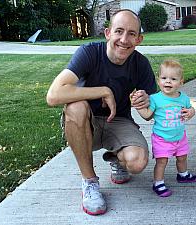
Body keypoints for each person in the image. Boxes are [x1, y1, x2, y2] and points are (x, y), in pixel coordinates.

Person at [46, 9, 158, 215]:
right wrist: (103, 91)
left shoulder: (141, 64)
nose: (124, 40)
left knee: (138, 162)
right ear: (107, 33)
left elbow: (149, 114)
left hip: (119, 121)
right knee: (76, 106)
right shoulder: (89, 53)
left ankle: (117, 157)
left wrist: (146, 103)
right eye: (119, 31)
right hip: (86, 122)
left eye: (132, 34)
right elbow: (53, 95)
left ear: (139, 39)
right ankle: (90, 182)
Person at [131, 59, 196, 197]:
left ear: (181, 82)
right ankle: (158, 183)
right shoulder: (155, 99)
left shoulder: (184, 98)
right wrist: (137, 106)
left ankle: (183, 174)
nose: (168, 82)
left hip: (180, 137)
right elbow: (147, 114)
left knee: (182, 158)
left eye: (173, 79)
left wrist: (191, 112)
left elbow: (190, 109)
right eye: (164, 78)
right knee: (162, 162)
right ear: (158, 80)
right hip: (162, 138)